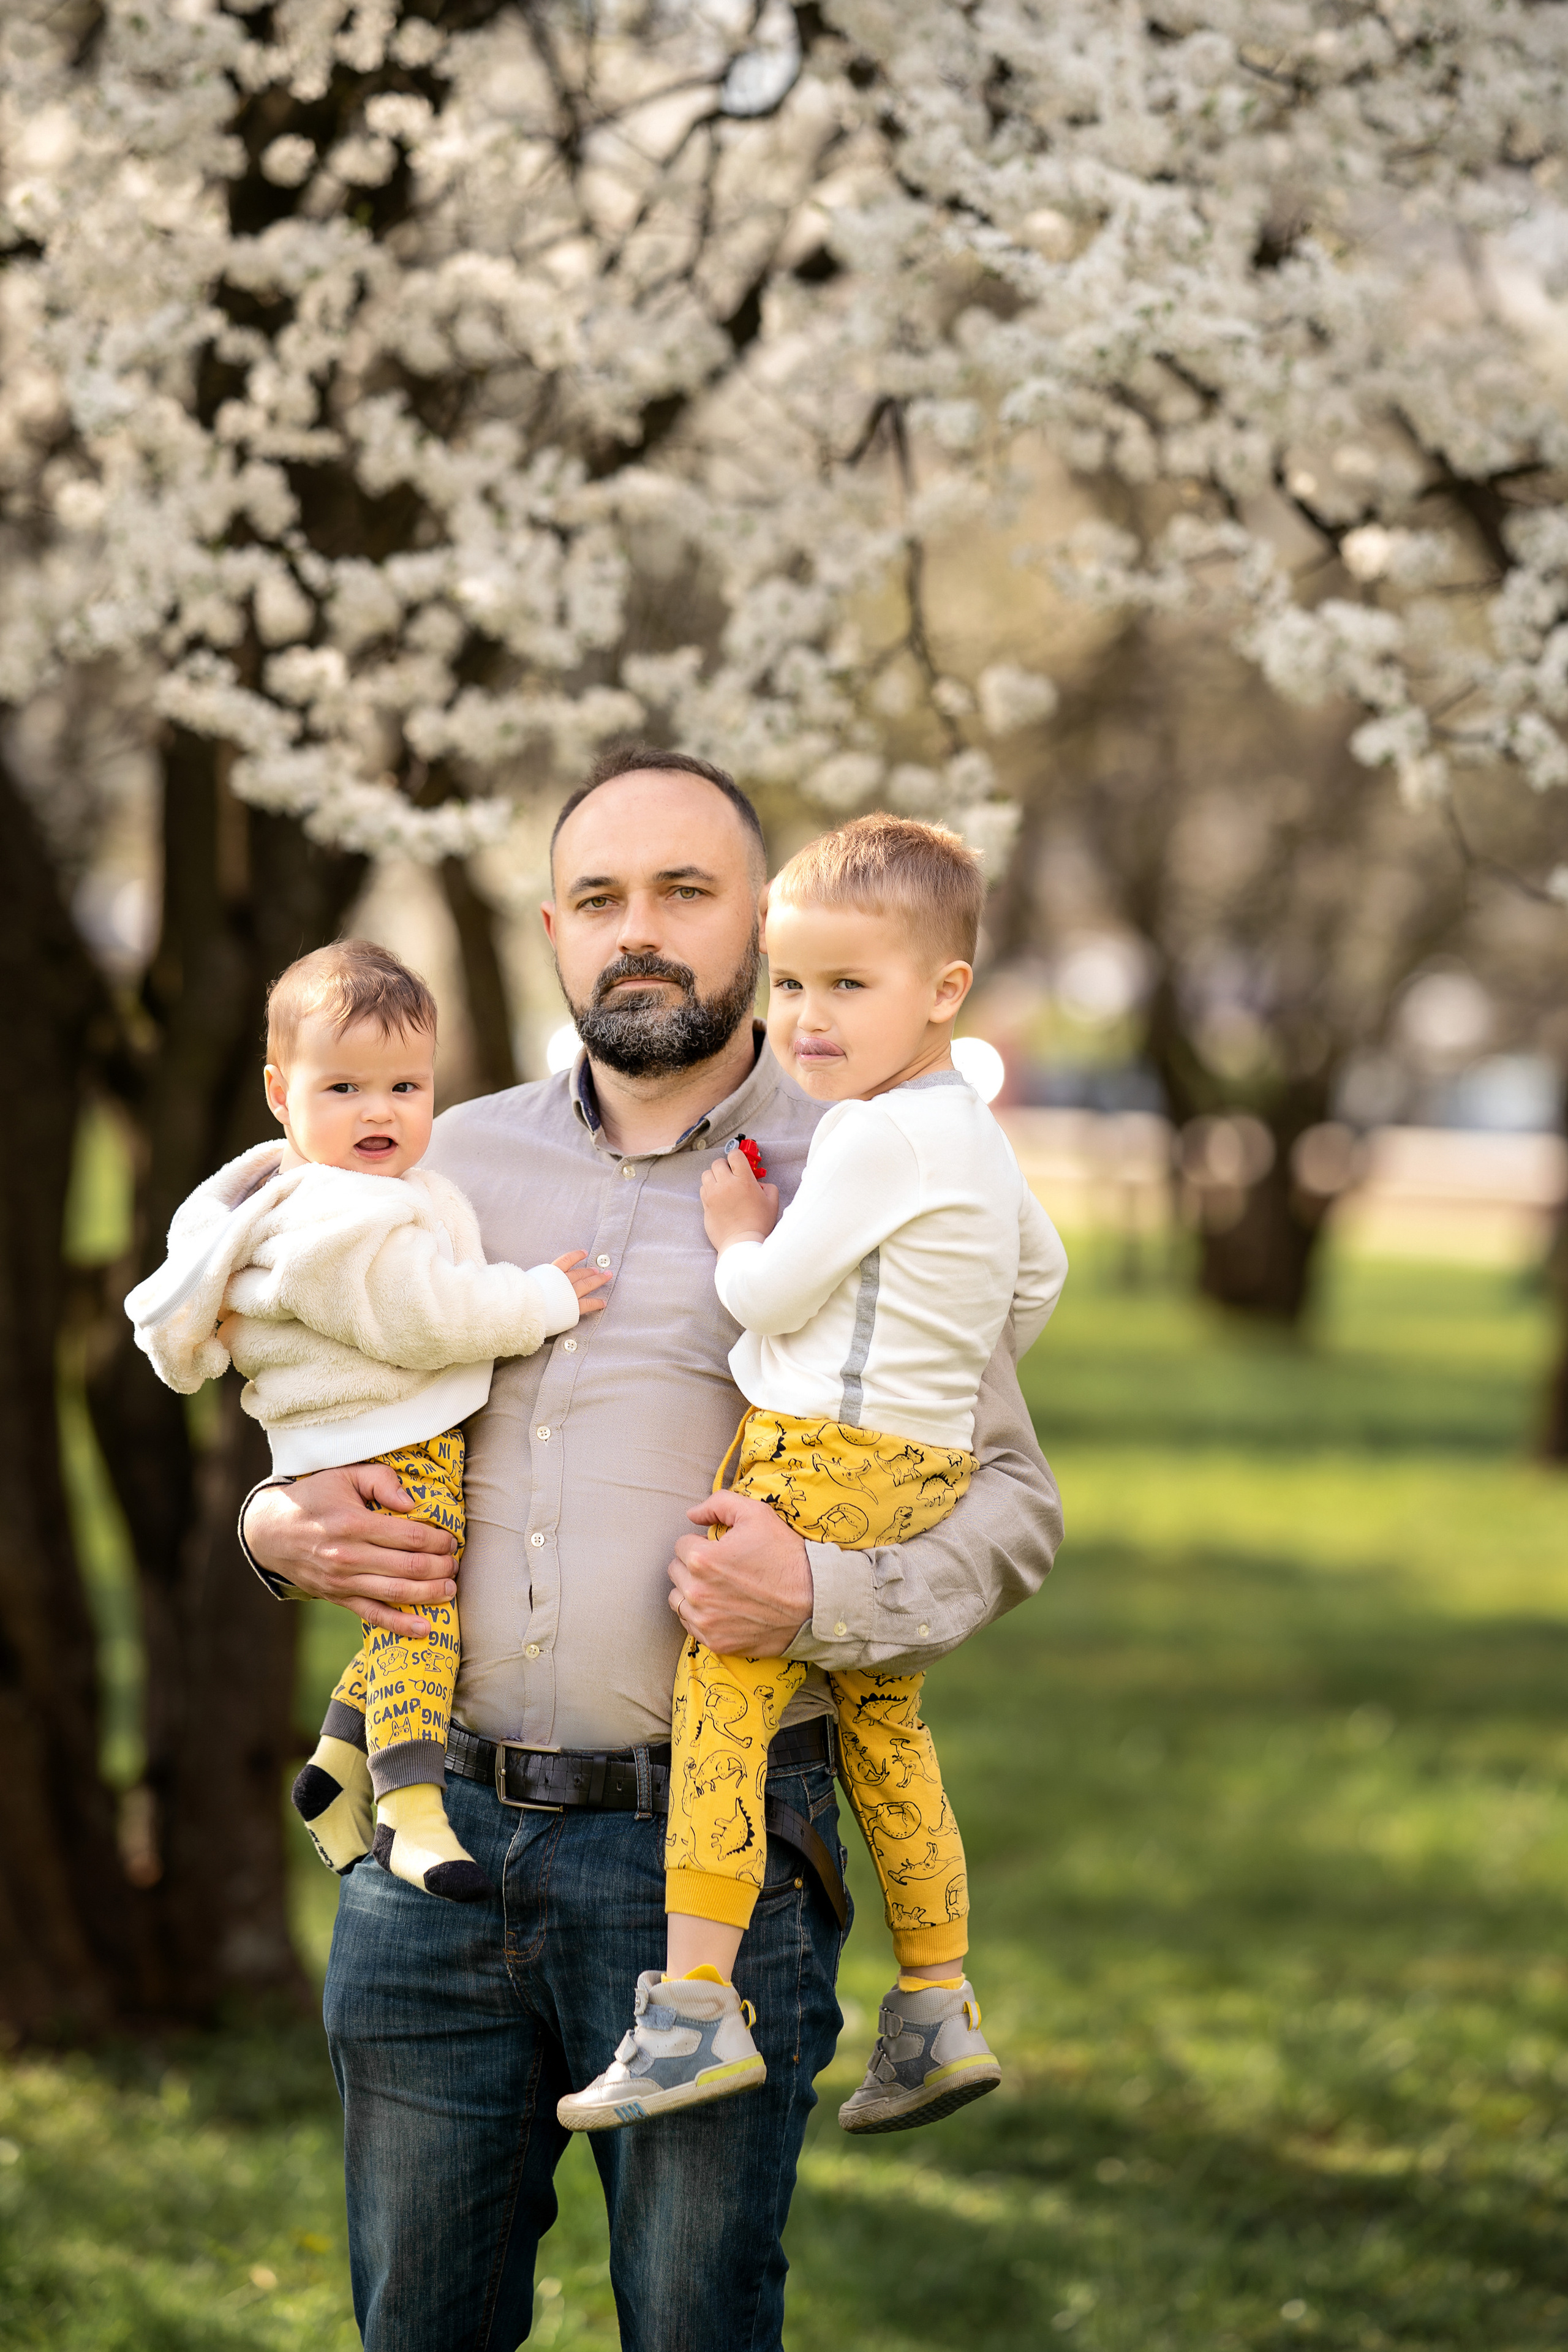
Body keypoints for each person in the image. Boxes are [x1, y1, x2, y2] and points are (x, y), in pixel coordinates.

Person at [236, 746, 1064, 2352]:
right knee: (416, 2324)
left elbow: (1015, 1501)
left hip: (715, 1866)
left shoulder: (875, 1162)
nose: (642, 931)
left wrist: (822, 1594)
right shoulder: (438, 1153)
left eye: (686, 893)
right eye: (602, 898)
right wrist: (278, 1528)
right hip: (434, 1849)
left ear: (757, 918)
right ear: (551, 927)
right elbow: (305, 1391)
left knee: (694, 2326)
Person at [559, 815, 1067, 2140]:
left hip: (822, 1462)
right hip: (918, 1460)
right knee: (882, 1732)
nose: (807, 1019)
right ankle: (937, 2003)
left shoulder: (871, 1135)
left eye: (849, 985)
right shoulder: (968, 1129)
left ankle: (689, 2011)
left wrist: (741, 1234)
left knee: (723, 1701)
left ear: (943, 991)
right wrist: (930, 1353)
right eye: (790, 984)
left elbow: (769, 1293)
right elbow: (1037, 1279)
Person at [124, 941, 607, 1901]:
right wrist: (543, 1297)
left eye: (404, 1085)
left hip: (365, 1431)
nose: (379, 1112)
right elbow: (428, 1318)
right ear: (279, 1091)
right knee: (421, 1616)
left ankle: (339, 1760)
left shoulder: (340, 1189)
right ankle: (411, 1811)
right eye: (343, 1087)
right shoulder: (341, 1217)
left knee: (403, 1614)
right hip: (384, 1437)